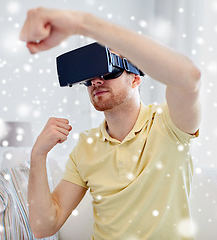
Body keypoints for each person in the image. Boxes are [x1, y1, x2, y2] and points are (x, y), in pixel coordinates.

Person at [19, 6, 201, 240]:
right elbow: (43, 226)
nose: (96, 80)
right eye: (89, 76)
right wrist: (38, 155)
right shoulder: (86, 147)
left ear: (135, 78)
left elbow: (190, 77)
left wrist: (81, 23)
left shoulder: (170, 125)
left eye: (109, 69)